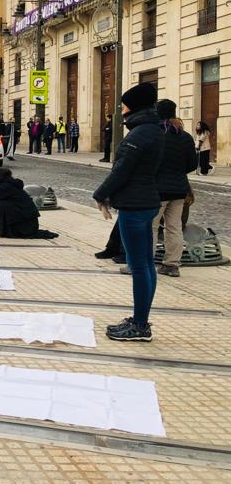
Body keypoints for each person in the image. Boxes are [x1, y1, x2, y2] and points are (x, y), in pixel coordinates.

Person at [92, 83, 162, 342]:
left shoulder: (138, 134)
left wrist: (99, 194)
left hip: (134, 206)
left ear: (134, 106)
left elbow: (122, 170)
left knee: (139, 267)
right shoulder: (153, 129)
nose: (120, 109)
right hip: (146, 202)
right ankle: (140, 319)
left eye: (123, 104)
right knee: (146, 265)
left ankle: (141, 325)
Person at [149, 101, 198, 278]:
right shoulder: (184, 136)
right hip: (179, 189)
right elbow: (193, 164)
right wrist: (177, 172)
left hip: (157, 189)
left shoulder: (155, 133)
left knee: (151, 227)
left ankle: (145, 264)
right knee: (174, 227)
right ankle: (171, 265)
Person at [0, 167, 42, 238]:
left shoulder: (5, 187)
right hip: (27, 222)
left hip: (25, 225)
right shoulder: (9, 184)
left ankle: (8, 230)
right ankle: (6, 229)